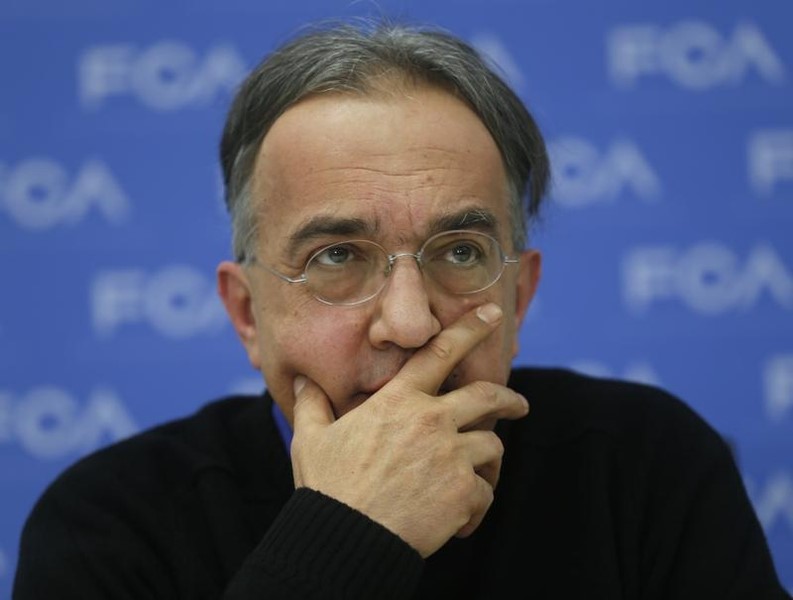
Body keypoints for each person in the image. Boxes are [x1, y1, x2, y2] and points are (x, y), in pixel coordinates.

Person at [13, 17, 790, 600]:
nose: (412, 323)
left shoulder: (644, 466)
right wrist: (343, 539)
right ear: (247, 314)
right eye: (337, 258)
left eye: (459, 252)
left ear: (518, 296)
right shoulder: (112, 521)